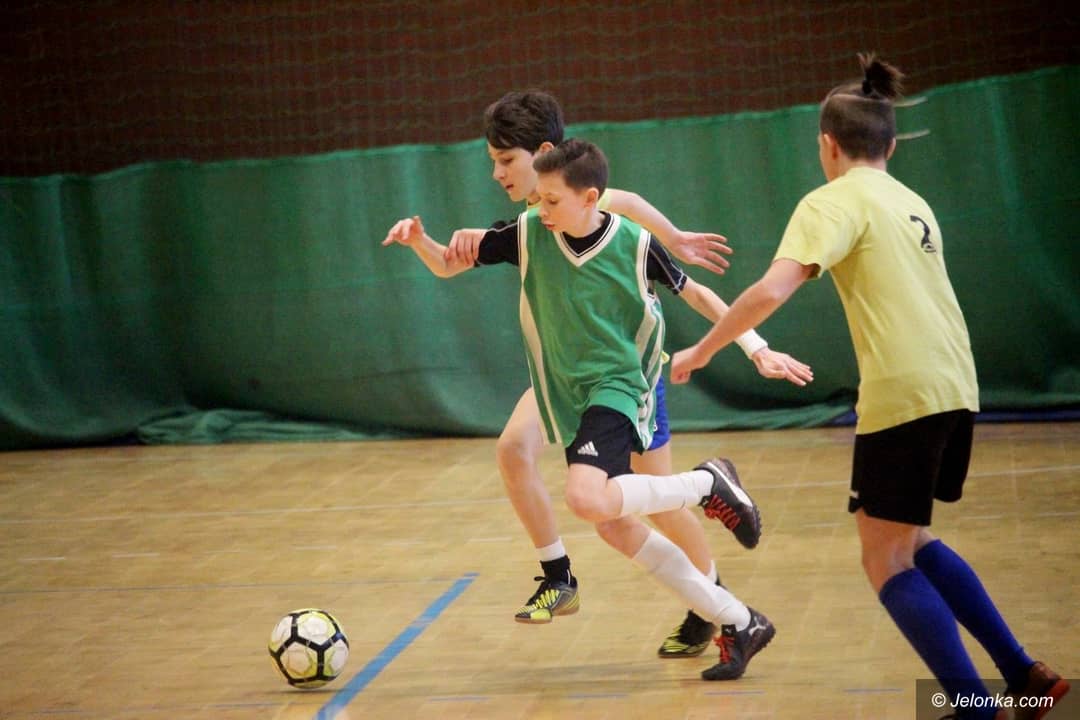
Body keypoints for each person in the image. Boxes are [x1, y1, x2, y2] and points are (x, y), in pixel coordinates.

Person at [670, 53, 1069, 717]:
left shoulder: (830, 200)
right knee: (910, 542)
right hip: (955, 382)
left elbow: (771, 289)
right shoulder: (912, 201)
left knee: (884, 561)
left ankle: (975, 705)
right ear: (890, 145)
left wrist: (704, 348)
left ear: (827, 145)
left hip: (904, 391)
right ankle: (1024, 673)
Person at [384, 138, 783, 681]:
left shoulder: (634, 243)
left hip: (618, 385)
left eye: (552, 201)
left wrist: (755, 347)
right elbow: (448, 263)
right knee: (612, 526)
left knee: (585, 498)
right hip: (569, 393)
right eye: (540, 200)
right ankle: (737, 619)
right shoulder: (528, 232)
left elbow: (696, 294)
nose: (542, 210)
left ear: (590, 198)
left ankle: (707, 485)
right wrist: (419, 241)